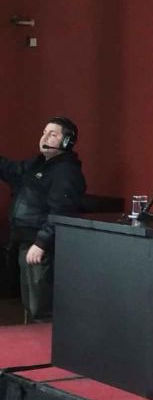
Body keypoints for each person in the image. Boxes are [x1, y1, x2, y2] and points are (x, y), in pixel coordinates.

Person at [0, 117, 86, 321]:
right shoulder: (38, 163)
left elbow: (61, 212)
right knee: (30, 304)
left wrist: (41, 243)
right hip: (26, 243)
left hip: (40, 247)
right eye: (44, 132)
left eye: (53, 134)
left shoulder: (66, 172)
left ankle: (45, 341)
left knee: (41, 307)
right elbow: (13, 170)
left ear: (67, 142)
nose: (45, 138)